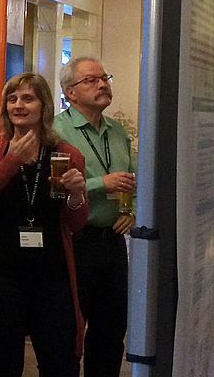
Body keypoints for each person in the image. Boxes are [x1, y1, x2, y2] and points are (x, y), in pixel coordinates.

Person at [0, 72, 88, 377]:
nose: (18, 105)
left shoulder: (66, 154)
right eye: (12, 99)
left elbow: (76, 223)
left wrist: (76, 195)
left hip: (50, 277)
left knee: (61, 363)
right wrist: (11, 161)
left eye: (28, 98)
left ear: (44, 107)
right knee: (5, 364)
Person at [54, 57, 135, 377]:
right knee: (68, 332)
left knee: (111, 332)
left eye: (105, 78)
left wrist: (130, 209)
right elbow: (54, 189)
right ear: (70, 92)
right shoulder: (56, 131)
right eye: (91, 80)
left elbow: (133, 177)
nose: (103, 85)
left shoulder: (117, 131)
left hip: (112, 243)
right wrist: (102, 183)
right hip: (74, 242)